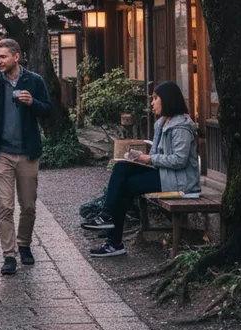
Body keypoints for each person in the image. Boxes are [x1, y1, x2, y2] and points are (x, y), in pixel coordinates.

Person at [84, 82, 199, 258]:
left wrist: (149, 159)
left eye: (155, 98)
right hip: (165, 175)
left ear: (167, 100)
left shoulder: (182, 126)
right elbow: (155, 156)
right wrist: (138, 157)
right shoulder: (161, 123)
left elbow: (180, 160)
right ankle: (108, 221)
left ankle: (113, 239)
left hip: (181, 181)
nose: (152, 103)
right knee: (121, 167)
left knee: (128, 185)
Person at [0, 38, 52, 275]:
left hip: (28, 153)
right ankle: (8, 254)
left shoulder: (35, 81)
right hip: (3, 154)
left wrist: (33, 103)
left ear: (16, 57)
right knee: (5, 206)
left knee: (28, 205)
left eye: (3, 57)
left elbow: (48, 110)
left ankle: (24, 244)